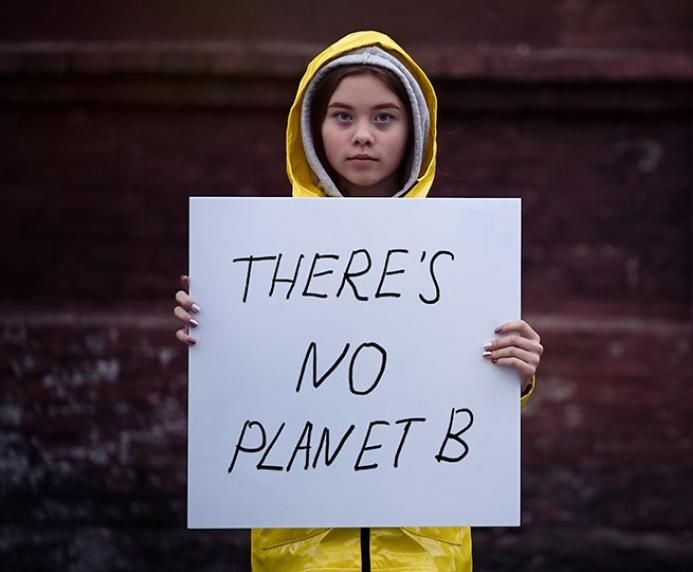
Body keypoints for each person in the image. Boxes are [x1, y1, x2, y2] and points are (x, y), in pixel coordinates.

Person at [172, 31, 543, 571]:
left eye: (384, 118)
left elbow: (463, 401)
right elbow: (247, 392)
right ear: (313, 128)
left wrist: (519, 373)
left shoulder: (460, 256)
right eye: (343, 116)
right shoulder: (265, 254)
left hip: (425, 553)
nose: (363, 135)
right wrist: (211, 335)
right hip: (300, 552)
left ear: (414, 128)